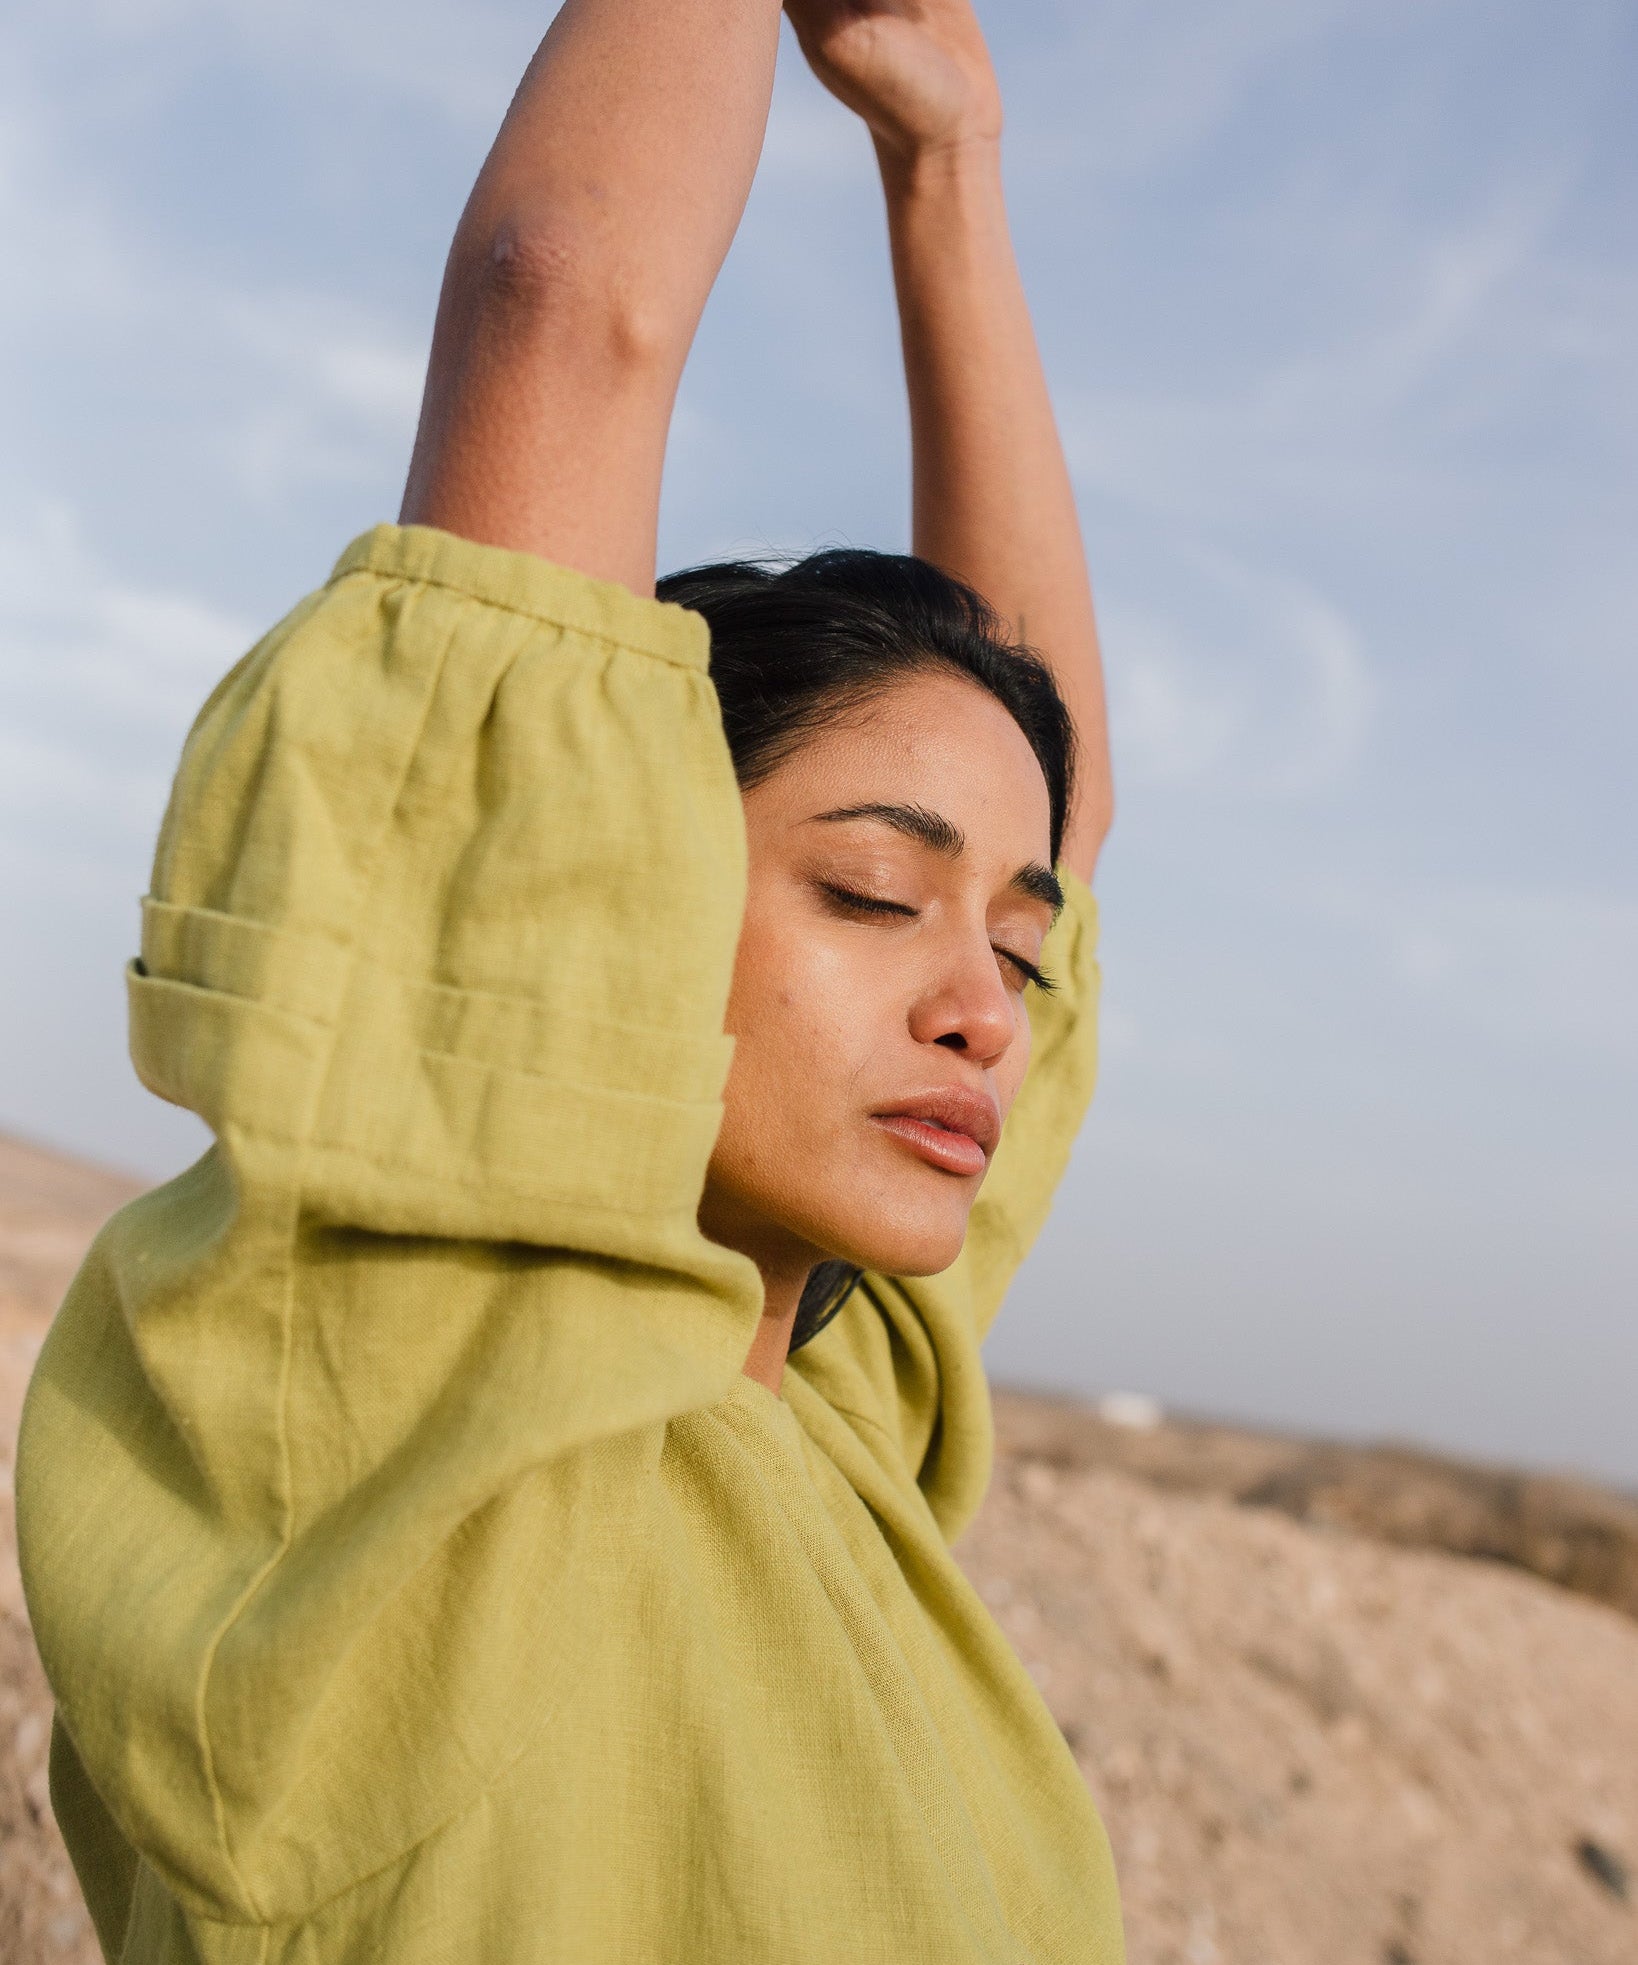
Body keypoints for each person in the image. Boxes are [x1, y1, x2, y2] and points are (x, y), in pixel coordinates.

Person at [17, 0, 1121, 1958]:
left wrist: (945, 160)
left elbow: (1052, 805)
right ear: (595, 904)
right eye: (870, 892)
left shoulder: (821, 1436)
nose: (985, 1003)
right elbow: (566, 311)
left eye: (1015, 948)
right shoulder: (425, 1430)